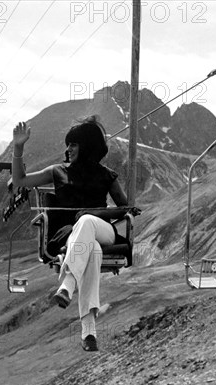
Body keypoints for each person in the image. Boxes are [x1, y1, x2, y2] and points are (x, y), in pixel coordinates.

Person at [11, 116, 130, 352]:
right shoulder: (58, 172)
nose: (68, 150)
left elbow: (124, 209)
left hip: (102, 229)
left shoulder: (107, 175)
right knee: (93, 251)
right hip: (74, 237)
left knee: (86, 220)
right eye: (69, 145)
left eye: (73, 144)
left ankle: (68, 282)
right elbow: (20, 180)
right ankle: (89, 332)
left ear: (86, 146)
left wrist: (97, 213)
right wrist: (18, 147)